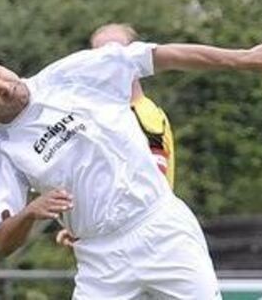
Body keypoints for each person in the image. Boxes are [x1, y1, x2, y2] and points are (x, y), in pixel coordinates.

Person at [0, 40, 262, 299]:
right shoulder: (0, 151)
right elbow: (1, 240)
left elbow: (161, 55)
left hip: (160, 226)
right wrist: (30, 213)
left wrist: (243, 59)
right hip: (101, 258)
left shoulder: (73, 73)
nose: (1, 85)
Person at [55, 22, 176, 247]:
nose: (108, 61)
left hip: (147, 241)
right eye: (99, 54)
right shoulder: (100, 115)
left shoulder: (143, 115)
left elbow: (151, 186)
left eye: (116, 51)